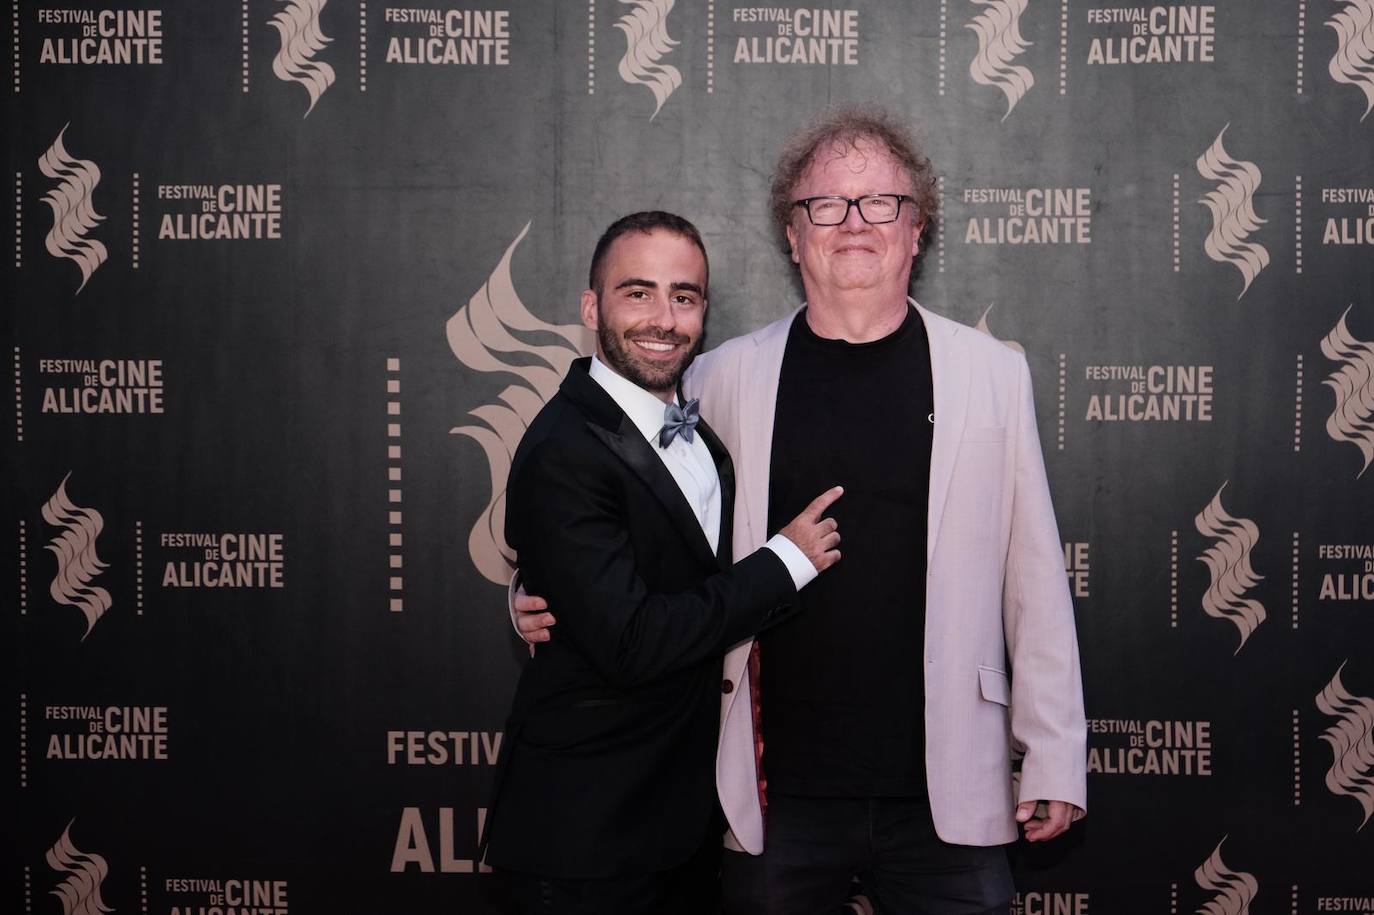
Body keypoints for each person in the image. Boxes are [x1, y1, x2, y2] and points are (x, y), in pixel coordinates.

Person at [516, 109, 1088, 914]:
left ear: (916, 228)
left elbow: (1033, 579)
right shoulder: (719, 378)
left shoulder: (992, 373)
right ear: (793, 234)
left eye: (880, 202)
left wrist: (1056, 754)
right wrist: (539, 594)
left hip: (950, 790)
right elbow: (635, 532)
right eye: (826, 204)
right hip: (772, 792)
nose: (854, 222)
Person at [481, 210, 845, 915]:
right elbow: (632, 640)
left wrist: (539, 582)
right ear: (593, 307)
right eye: (637, 292)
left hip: (679, 826)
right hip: (586, 836)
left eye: (684, 296)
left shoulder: (696, 430)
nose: (664, 318)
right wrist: (785, 562)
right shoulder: (565, 448)